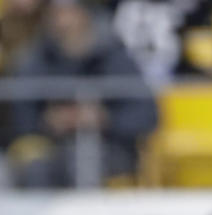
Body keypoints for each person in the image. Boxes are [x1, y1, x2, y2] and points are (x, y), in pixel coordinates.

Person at [8, 0, 157, 187]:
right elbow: (21, 117)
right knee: (35, 169)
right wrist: (49, 121)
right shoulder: (37, 59)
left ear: (85, 14)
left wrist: (103, 118)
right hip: (55, 148)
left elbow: (147, 116)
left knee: (82, 163)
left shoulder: (114, 57)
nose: (62, 22)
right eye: (55, 15)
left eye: (69, 13)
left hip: (112, 148)